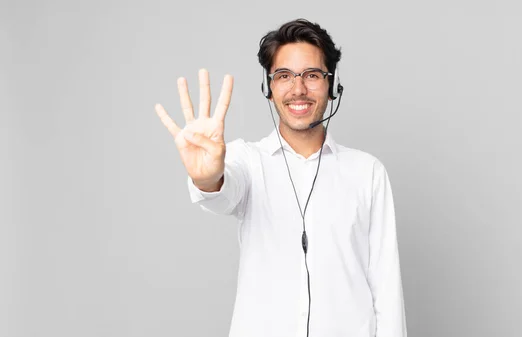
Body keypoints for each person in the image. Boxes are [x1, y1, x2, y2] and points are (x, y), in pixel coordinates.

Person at [155, 18, 407, 337]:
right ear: (269, 87)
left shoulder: (367, 172)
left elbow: (386, 288)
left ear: (333, 86)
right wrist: (207, 179)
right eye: (284, 76)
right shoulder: (245, 160)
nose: (298, 89)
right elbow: (222, 190)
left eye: (312, 75)